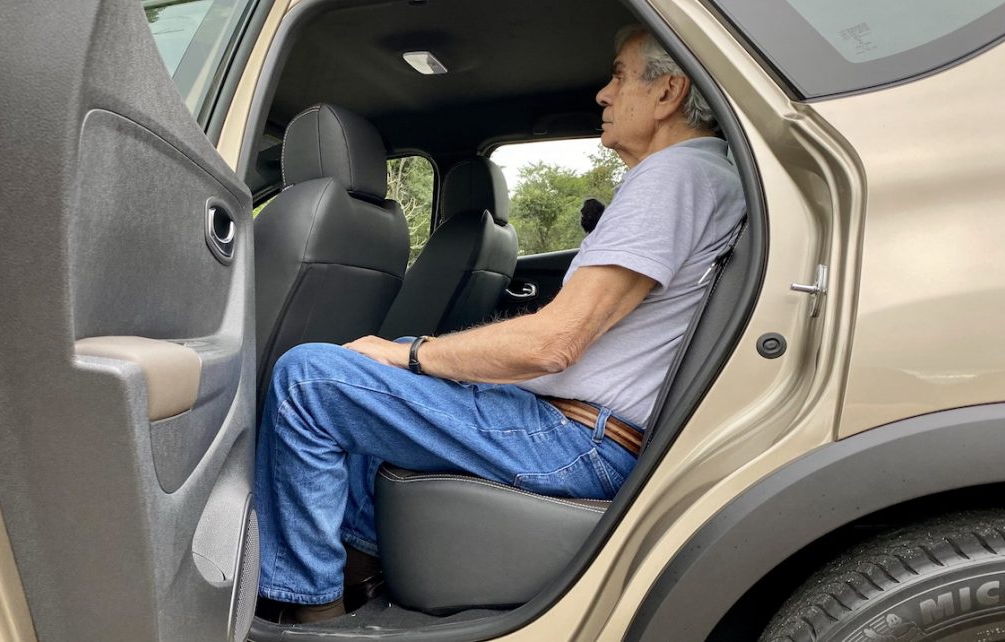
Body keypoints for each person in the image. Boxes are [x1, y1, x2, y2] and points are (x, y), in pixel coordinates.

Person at [254, 24, 746, 623]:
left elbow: (555, 343)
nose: (604, 93)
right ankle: (361, 567)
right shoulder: (706, 176)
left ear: (667, 93)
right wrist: (409, 354)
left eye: (619, 76)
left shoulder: (673, 177)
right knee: (378, 363)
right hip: (587, 429)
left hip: (577, 441)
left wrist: (413, 356)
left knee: (308, 380)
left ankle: (310, 613)